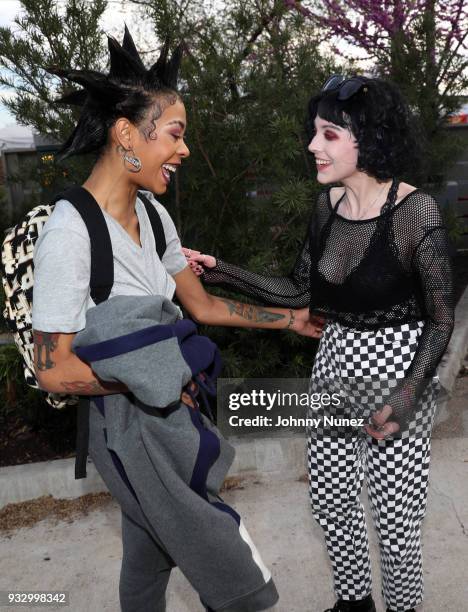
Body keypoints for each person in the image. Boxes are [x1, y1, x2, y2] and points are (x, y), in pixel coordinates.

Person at [31, 28, 323, 612]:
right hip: (127, 427)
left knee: (147, 553)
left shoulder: (154, 215)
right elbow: (53, 370)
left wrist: (289, 320)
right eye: (175, 134)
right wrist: (154, 378)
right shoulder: (70, 232)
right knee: (232, 570)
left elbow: (205, 306)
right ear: (125, 134)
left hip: (173, 415)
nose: (185, 150)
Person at [184, 75, 455, 612]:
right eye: (315, 133)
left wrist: (403, 401)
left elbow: (441, 321)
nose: (313, 146)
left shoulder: (414, 212)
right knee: (331, 501)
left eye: (329, 134)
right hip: (334, 362)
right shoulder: (326, 208)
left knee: (396, 518)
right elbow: (299, 291)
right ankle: (352, 604)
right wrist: (222, 272)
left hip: (398, 367)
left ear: (369, 139)